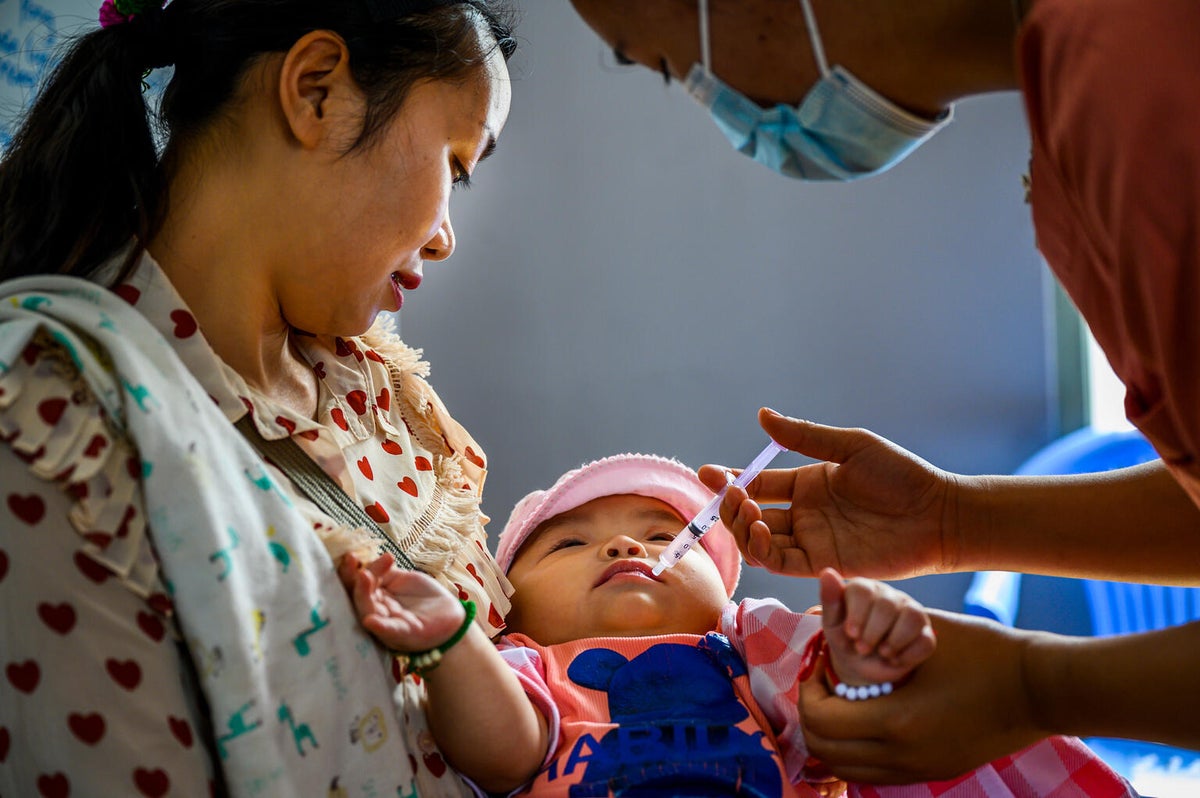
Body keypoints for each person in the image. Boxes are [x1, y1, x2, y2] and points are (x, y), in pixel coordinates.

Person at [564, 0, 1200, 783]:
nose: (633, 552)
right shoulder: (1101, 78)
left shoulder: (1143, 94)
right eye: (568, 540)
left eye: (667, 66)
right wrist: (953, 518)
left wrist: (1035, 685)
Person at [0, 0, 517, 794]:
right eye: (454, 162)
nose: (446, 235)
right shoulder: (54, 416)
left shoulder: (381, 392)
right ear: (316, 91)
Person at [343, 453, 1135, 797]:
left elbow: (847, 710)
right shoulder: (529, 663)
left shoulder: (747, 640)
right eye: (572, 542)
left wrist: (866, 651)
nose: (623, 545)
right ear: (514, 605)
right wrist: (452, 644)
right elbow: (503, 755)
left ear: (719, 584)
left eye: (662, 537)